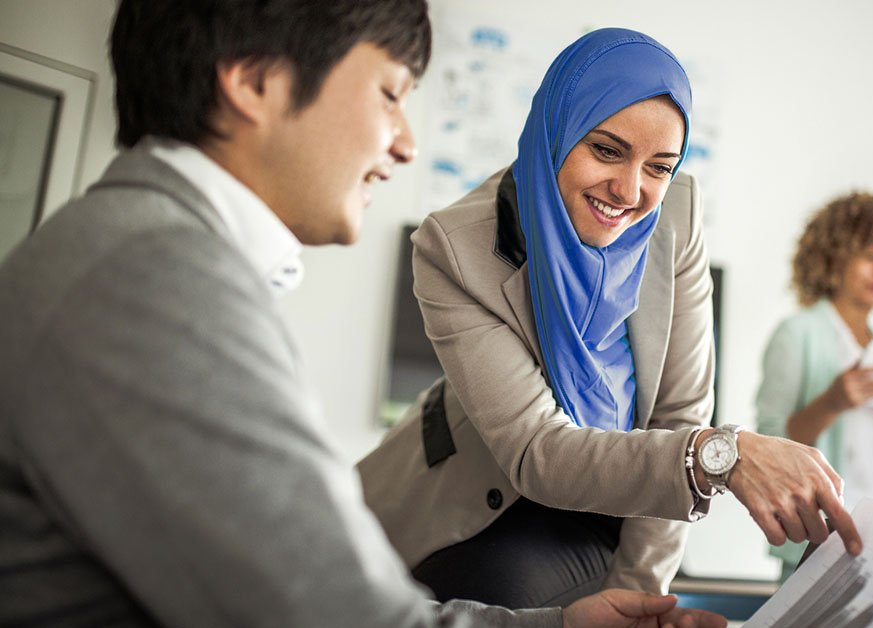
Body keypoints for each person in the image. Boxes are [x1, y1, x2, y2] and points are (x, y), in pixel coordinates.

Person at [0, 3, 728, 627]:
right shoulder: (154, 280)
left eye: (659, 168)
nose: (405, 142)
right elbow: (333, 610)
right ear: (253, 79)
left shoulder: (149, 253)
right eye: (388, 93)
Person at [357, 28, 863, 609]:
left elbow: (680, 413)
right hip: (484, 492)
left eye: (660, 166)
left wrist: (637, 595)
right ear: (557, 131)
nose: (630, 191)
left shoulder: (675, 218)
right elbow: (536, 451)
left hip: (637, 495)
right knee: (499, 594)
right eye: (606, 150)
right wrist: (726, 456)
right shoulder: (454, 246)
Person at [754, 192, 873, 578]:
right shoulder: (797, 333)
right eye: (870, 256)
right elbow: (772, 439)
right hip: (830, 544)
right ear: (835, 256)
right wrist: (832, 401)